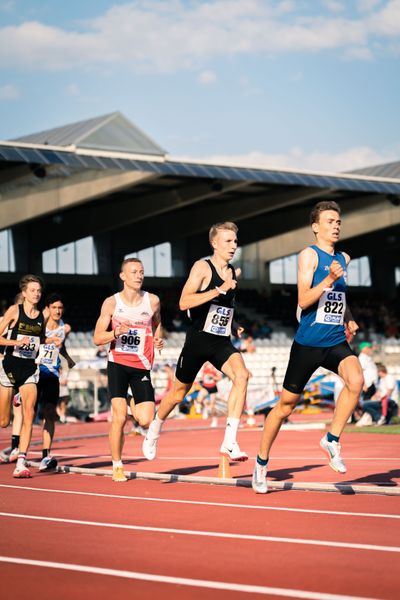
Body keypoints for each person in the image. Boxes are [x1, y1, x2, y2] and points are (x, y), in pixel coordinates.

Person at [252, 201, 363, 493]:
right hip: (309, 342)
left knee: (357, 380)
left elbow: (340, 297)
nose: (336, 225)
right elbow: (303, 300)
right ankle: (261, 463)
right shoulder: (309, 256)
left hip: (335, 340)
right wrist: (329, 277)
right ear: (315, 227)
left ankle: (332, 439)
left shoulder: (344, 257)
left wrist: (349, 319)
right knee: (285, 407)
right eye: (329, 221)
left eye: (338, 221)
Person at [142, 221, 250, 462]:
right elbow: (183, 302)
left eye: (235, 241)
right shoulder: (202, 267)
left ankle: (230, 441)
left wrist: (234, 324)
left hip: (221, 340)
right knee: (178, 394)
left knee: (242, 376)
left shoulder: (232, 271)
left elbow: (224, 306)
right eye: (228, 241)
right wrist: (219, 289)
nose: (233, 246)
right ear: (214, 243)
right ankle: (154, 428)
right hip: (198, 340)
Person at [93, 257, 163, 483]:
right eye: (134, 272)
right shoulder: (111, 303)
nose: (139, 275)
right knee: (119, 417)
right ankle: (117, 465)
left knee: (145, 420)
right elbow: (97, 338)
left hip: (141, 365)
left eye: (141, 271)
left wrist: (158, 339)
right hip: (118, 363)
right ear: (123, 276)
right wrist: (115, 333)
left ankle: (131, 399)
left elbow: (158, 323)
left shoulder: (152, 301)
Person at [0, 275, 50, 478]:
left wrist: (50, 340)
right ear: (24, 293)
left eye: (38, 290)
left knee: (29, 414)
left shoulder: (41, 316)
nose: (36, 294)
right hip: (10, 366)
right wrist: (15, 344)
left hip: (29, 369)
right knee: (3, 421)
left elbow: (39, 338)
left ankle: (21, 461)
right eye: (32, 290)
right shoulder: (14, 311)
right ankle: (14, 395)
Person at [36, 293, 74, 471]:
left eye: (60, 308)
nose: (57, 311)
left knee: (50, 413)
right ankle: (19, 450)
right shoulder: (41, 322)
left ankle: (45, 456)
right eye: (54, 307)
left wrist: (67, 360)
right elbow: (35, 340)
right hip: (33, 373)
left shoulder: (64, 327)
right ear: (47, 308)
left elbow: (61, 347)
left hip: (51, 375)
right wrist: (49, 339)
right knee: (27, 414)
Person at [197, 362, 222, 427]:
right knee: (199, 399)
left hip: (213, 388)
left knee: (212, 406)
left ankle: (214, 420)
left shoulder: (215, 369)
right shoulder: (204, 367)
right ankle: (204, 409)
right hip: (205, 387)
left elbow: (219, 378)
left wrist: (213, 377)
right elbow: (202, 376)